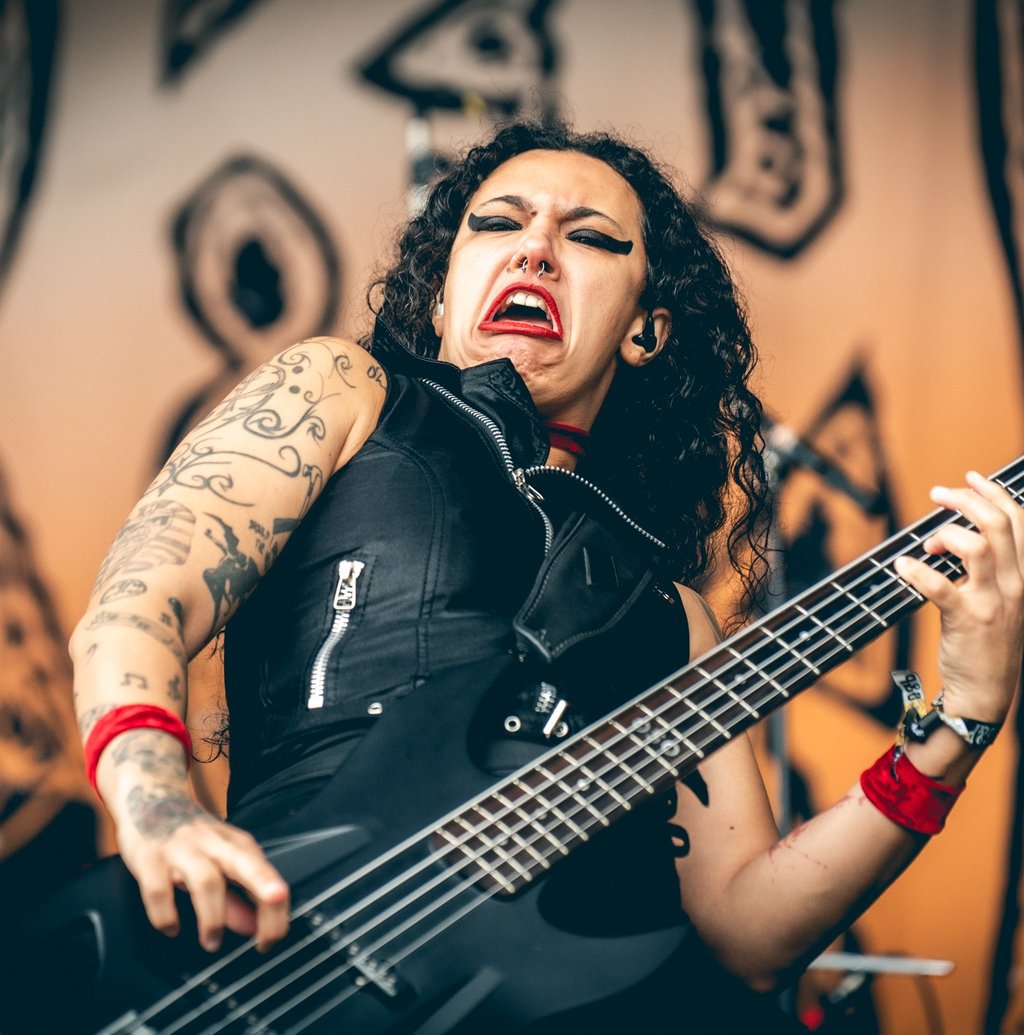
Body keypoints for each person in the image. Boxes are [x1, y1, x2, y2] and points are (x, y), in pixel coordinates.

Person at [70, 121, 1024, 1031]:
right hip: (292, 964)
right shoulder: (344, 393)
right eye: (497, 223)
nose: (535, 250)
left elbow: (747, 933)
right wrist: (158, 805)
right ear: (440, 297)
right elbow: (141, 600)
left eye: (590, 236)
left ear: (645, 331)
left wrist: (962, 721)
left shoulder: (674, 616)